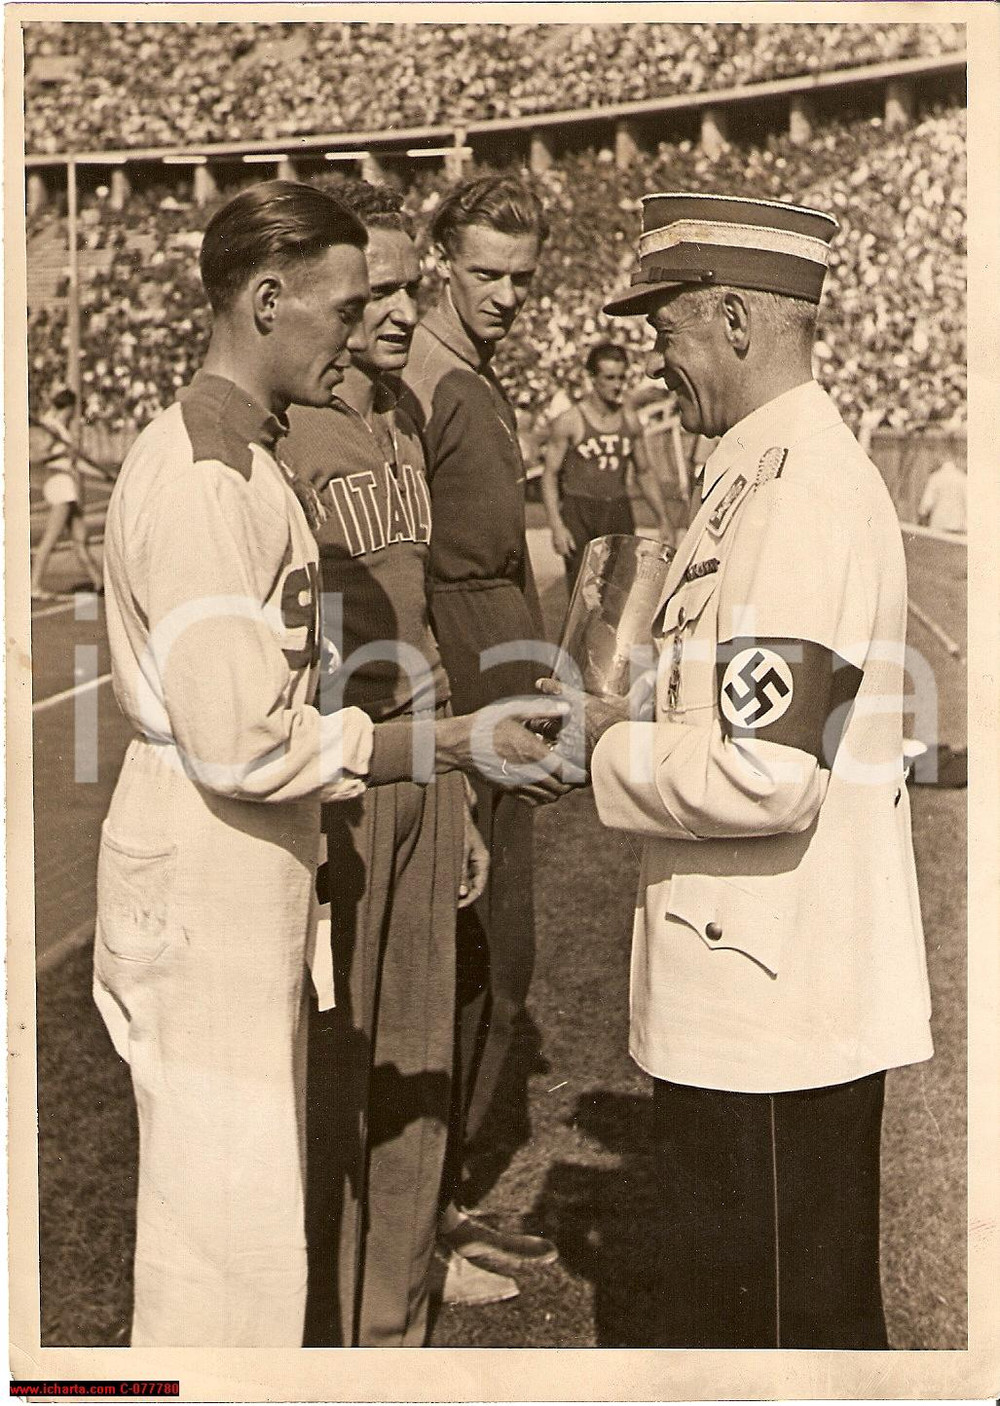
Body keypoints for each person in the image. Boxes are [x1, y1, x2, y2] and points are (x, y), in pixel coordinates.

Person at [94, 180, 575, 1348]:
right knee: (223, 1237)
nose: (360, 331)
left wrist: (442, 744)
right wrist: (446, 740)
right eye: (343, 307)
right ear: (266, 302)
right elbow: (238, 736)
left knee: (243, 1218)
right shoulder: (211, 473)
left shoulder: (244, 455)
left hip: (246, 843)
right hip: (212, 842)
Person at [540, 192, 934, 1348]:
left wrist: (598, 748)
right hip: (749, 977)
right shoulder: (749, 473)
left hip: (775, 999)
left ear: (736, 319)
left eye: (667, 331)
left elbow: (766, 773)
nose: (657, 360)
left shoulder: (800, 489)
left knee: (781, 1332)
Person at [283, 180, 531, 1345]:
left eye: (402, 289)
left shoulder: (394, 418)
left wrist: (462, 802)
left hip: (427, 770)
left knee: (421, 1074)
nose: (390, 312)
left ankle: (398, 1332)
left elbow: (420, 617)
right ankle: (332, 1333)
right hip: (345, 784)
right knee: (341, 1087)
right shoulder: (286, 430)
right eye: (368, 292)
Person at [399, 174, 559, 1298]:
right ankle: (423, 1215)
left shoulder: (480, 379)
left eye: (522, 277)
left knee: (503, 961)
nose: (505, 295)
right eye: (485, 273)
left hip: (506, 672)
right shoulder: (420, 382)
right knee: (471, 959)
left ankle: (444, 1198)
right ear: (439, 258)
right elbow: (420, 566)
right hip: (464, 680)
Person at [541, 341, 671, 589]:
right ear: (592, 377)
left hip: (617, 510)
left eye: (621, 377)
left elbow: (644, 472)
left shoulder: (630, 420)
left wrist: (663, 519)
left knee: (619, 591)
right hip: (580, 512)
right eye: (609, 377)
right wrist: (557, 526)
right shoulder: (569, 421)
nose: (617, 385)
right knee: (583, 594)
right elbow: (549, 475)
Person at [30, 387, 107, 600]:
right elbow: (35, 457)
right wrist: (63, 451)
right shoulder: (50, 427)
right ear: (70, 407)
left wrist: (106, 478)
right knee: (51, 538)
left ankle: (99, 583)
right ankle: (34, 585)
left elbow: (77, 464)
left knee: (80, 538)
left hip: (68, 484)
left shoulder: (60, 429)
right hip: (59, 485)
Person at [918, 457, 967, 533]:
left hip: (939, 523)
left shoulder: (935, 477)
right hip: (958, 525)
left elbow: (926, 503)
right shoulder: (963, 478)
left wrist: (922, 517)